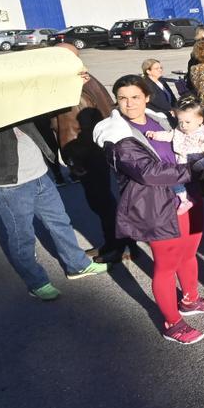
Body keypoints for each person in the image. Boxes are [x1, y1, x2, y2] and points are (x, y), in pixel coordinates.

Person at [0, 71, 107, 302]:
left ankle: (77, 265)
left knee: (60, 223)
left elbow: (48, 103)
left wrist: (71, 84)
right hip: (8, 184)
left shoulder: (13, 99)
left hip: (40, 176)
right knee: (21, 236)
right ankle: (37, 282)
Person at [94, 75, 204, 344]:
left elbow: (193, 136)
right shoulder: (117, 135)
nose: (129, 103)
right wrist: (195, 168)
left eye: (135, 97)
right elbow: (148, 172)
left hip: (187, 195)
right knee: (165, 265)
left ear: (147, 97)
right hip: (156, 206)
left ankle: (190, 300)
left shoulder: (161, 120)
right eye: (123, 98)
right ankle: (172, 323)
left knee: (188, 254)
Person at [49, 44, 130, 264]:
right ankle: (120, 243)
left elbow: (68, 129)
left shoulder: (71, 87)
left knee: (101, 202)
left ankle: (118, 246)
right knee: (106, 200)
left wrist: (71, 160)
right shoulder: (88, 79)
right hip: (99, 149)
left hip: (87, 153)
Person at [145, 100, 204, 214]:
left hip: (196, 164)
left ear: (200, 120)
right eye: (180, 122)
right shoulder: (179, 130)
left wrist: (201, 164)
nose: (183, 125)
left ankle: (186, 200)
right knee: (176, 180)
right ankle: (184, 199)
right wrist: (155, 135)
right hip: (181, 162)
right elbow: (170, 134)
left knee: (180, 181)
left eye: (187, 122)